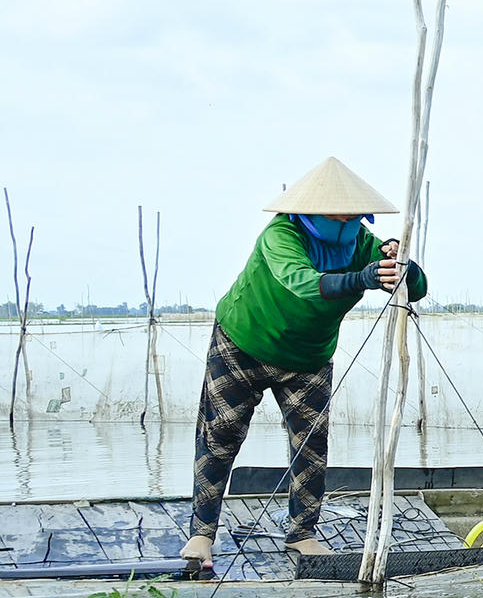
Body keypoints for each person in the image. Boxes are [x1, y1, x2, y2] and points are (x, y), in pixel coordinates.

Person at [181, 157, 428, 567]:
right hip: (243, 343)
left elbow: (415, 289)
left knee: (311, 444)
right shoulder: (281, 234)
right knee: (220, 435)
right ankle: (202, 534)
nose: (347, 223)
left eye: (354, 217)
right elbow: (302, 283)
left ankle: (302, 534)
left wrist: (401, 264)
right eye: (338, 216)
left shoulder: (361, 243)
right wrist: (362, 278)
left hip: (309, 357)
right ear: (311, 212)